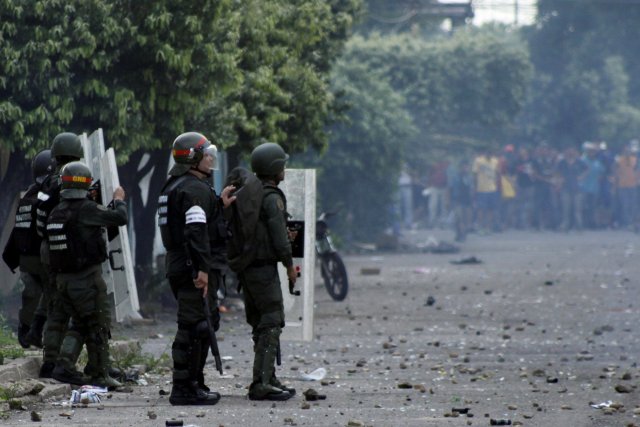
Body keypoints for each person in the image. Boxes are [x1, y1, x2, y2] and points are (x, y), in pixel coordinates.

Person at [158, 132, 235, 406]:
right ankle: (183, 388)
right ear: (193, 158)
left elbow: (198, 221)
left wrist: (219, 205)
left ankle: (194, 382)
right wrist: (202, 270)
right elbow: (195, 231)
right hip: (192, 266)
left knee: (203, 324)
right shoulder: (193, 189)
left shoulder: (178, 185)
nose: (211, 158)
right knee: (192, 325)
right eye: (206, 154)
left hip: (181, 263)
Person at [46, 161, 127, 388]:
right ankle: (100, 374)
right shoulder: (87, 209)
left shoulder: (57, 211)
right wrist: (119, 199)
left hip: (63, 281)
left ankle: (64, 365)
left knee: (80, 324)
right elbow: (119, 218)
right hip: (85, 279)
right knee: (98, 324)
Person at [233, 142, 297, 401]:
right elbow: (280, 240)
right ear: (274, 167)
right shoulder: (271, 197)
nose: (284, 168)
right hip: (263, 269)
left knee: (261, 323)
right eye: (281, 164)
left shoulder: (251, 192)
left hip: (248, 267)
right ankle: (261, 382)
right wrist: (290, 266)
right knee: (272, 320)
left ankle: (267, 376)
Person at [37, 132, 84, 378]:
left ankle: (49, 361)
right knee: (78, 309)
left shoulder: (45, 182)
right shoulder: (72, 178)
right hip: (68, 250)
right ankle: (64, 364)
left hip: (47, 247)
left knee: (55, 307)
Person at [2, 149, 55, 348]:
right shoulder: (46, 195)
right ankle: (37, 334)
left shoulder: (29, 194)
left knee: (31, 295)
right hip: (39, 256)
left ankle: (28, 333)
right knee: (50, 295)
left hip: (25, 257)